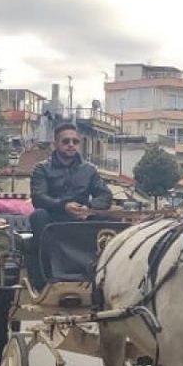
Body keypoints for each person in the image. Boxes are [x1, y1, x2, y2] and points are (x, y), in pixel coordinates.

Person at [28, 123, 112, 289]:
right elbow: (39, 197)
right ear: (56, 144)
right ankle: (45, 277)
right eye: (66, 141)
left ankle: (104, 272)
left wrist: (89, 208)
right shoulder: (41, 169)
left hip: (83, 217)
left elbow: (105, 196)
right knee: (38, 215)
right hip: (54, 217)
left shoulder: (89, 169)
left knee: (109, 218)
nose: (71, 145)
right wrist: (64, 205)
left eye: (75, 141)